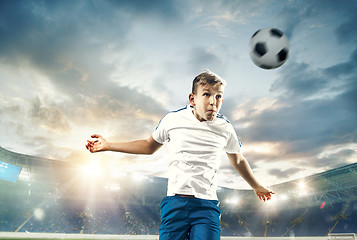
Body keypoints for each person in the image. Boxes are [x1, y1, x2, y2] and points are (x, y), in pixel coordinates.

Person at [86, 70, 274, 240]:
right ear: (192, 99)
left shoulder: (225, 128)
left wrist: (256, 186)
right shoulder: (173, 120)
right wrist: (109, 145)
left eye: (218, 96)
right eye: (206, 94)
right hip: (175, 203)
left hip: (206, 206)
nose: (212, 101)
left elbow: (238, 159)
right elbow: (148, 146)